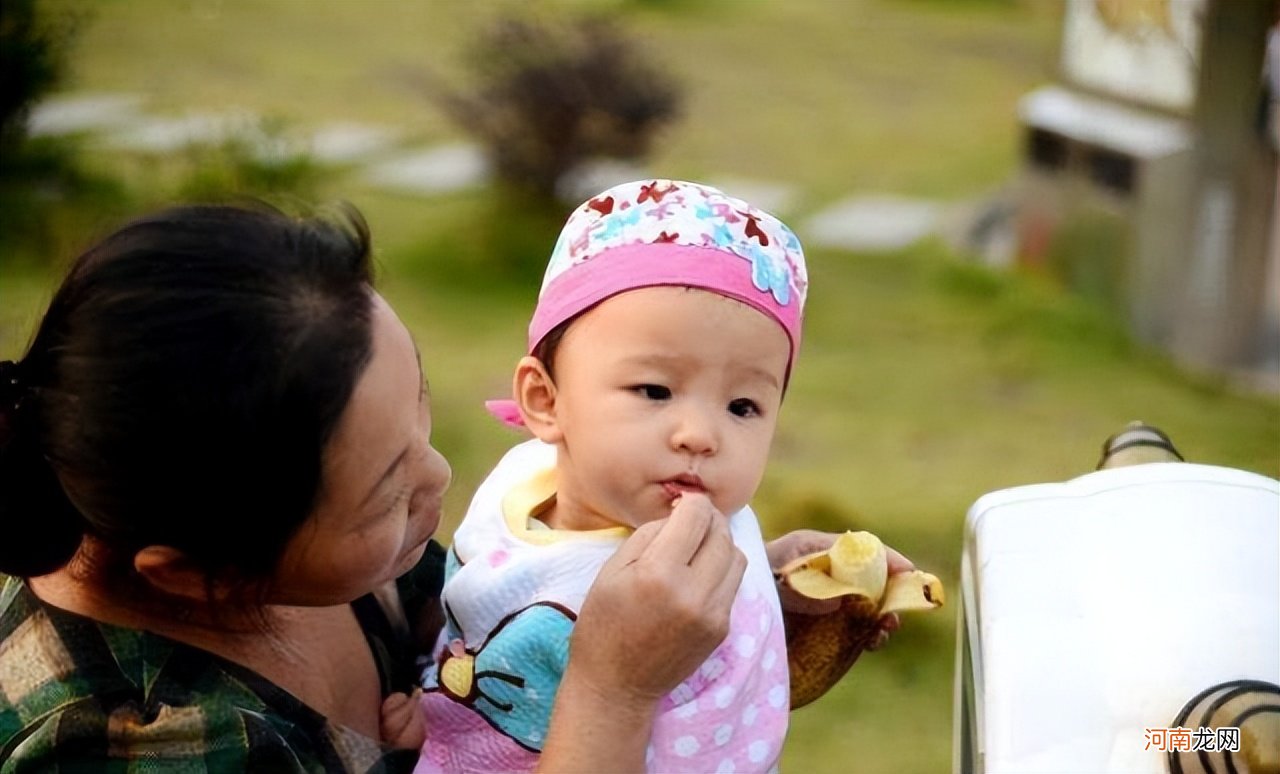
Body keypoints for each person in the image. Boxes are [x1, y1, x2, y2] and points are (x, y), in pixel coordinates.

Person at [0, 203, 759, 772]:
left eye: (419, 411)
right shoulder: (139, 747)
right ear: (202, 574)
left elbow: (493, 642)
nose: (442, 476)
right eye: (389, 493)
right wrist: (613, 693)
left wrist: (733, 615)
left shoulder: (302, 551)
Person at [408, 180, 898, 773]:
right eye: (655, 390)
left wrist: (765, 581)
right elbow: (480, 625)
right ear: (545, 400)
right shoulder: (523, 479)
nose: (700, 434)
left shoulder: (712, 611)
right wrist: (433, 714)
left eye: (742, 406)